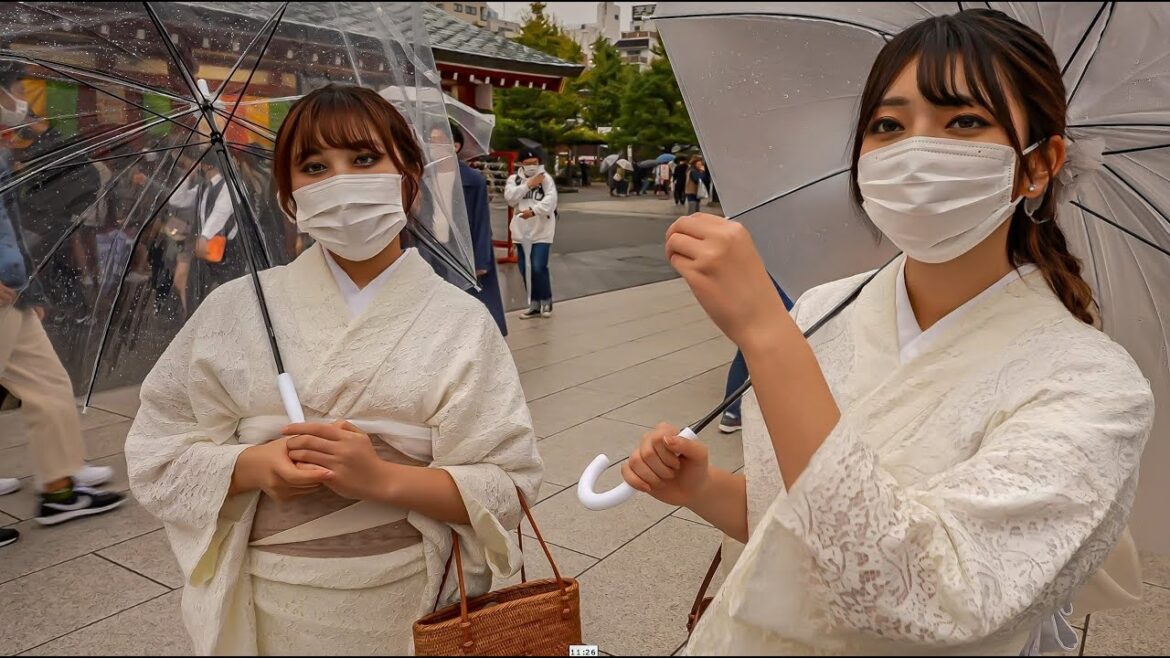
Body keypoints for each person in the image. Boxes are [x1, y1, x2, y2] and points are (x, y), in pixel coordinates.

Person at [623, 10, 1152, 655]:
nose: (914, 152)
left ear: (1038, 164)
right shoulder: (823, 309)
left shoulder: (1095, 385)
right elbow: (793, 523)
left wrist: (765, 334)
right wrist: (702, 489)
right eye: (887, 126)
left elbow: (926, 599)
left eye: (964, 122)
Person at [125, 84, 542, 654]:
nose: (340, 181)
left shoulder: (461, 321)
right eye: (315, 166)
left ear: (409, 175)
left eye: (364, 159)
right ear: (289, 196)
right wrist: (251, 466)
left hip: (411, 601)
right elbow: (157, 453)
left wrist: (385, 480)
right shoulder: (235, 310)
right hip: (270, 603)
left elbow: (509, 486)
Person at [0, 72, 124, 547]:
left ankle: (60, 487)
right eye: (12, 90)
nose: (19, 101)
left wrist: (31, 291)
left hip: (14, 288)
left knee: (49, 386)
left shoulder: (8, 149)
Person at [448, 123, 507, 335]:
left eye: (438, 141)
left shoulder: (473, 180)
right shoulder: (423, 176)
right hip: (436, 249)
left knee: (472, 305)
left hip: (466, 249)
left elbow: (482, 222)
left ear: (455, 146)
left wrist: (481, 260)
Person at [717, 277, 793, 433]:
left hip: (746, 289)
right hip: (765, 288)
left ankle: (732, 411)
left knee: (746, 350)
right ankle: (734, 411)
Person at [504, 146, 557, 320]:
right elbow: (510, 198)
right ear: (521, 164)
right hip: (521, 232)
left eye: (534, 163)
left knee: (538, 266)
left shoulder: (546, 179)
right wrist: (528, 185)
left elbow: (551, 202)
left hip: (542, 230)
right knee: (525, 269)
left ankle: (546, 300)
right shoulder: (514, 179)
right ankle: (534, 304)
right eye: (528, 164)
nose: (532, 166)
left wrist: (533, 211)